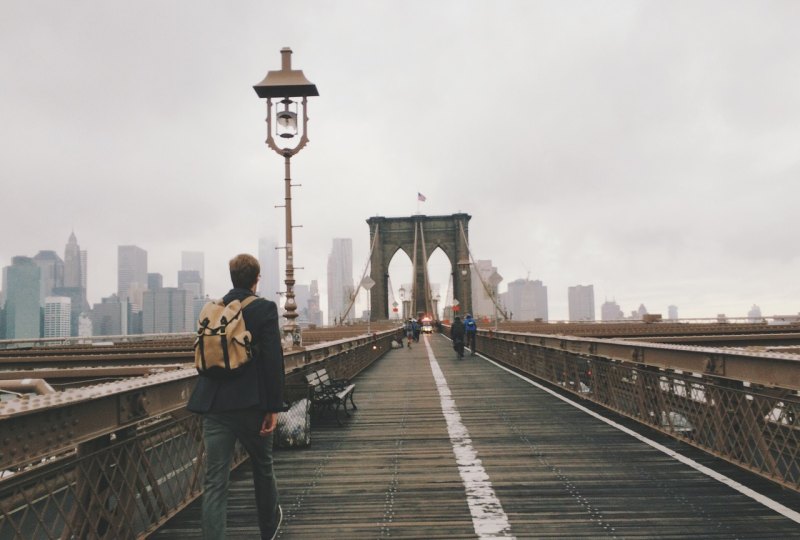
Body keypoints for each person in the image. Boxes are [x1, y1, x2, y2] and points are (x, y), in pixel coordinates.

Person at [187, 254, 285, 540]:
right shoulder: (264, 309)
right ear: (257, 279)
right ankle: (269, 530)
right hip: (252, 406)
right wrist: (273, 408)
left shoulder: (214, 309)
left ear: (232, 278)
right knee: (263, 468)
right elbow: (272, 362)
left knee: (215, 481)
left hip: (214, 405)